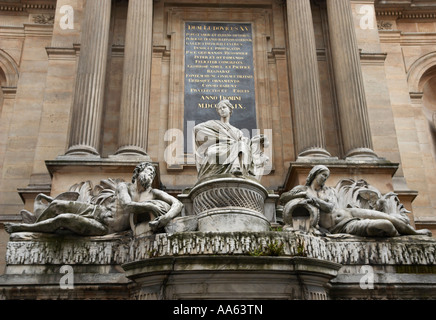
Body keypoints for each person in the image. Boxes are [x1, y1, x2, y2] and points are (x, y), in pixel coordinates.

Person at [5, 162, 183, 236]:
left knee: (64, 218)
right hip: (97, 211)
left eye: (153, 173)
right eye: (148, 171)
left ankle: (27, 228)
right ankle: (35, 233)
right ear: (138, 172)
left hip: (105, 226)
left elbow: (178, 203)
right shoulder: (124, 187)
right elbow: (127, 205)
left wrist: (166, 218)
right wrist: (151, 208)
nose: (151, 175)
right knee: (58, 205)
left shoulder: (153, 194)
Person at [282, 165, 432, 237]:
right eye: (323, 175)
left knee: (388, 217)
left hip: (350, 212)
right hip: (343, 226)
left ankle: (414, 232)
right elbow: (283, 198)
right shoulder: (302, 190)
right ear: (314, 174)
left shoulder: (327, 191)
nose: (325, 179)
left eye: (326, 176)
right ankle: (390, 232)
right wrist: (300, 197)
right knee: (386, 224)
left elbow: (329, 207)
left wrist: (314, 200)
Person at [194, 99, 269, 181]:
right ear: (218, 112)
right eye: (220, 108)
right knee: (213, 152)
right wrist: (221, 138)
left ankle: (236, 168)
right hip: (219, 147)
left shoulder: (237, 131)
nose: (222, 109)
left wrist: (257, 140)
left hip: (235, 147)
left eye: (224, 107)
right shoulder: (213, 124)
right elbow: (197, 129)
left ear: (229, 110)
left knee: (241, 145)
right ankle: (235, 167)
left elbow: (246, 142)